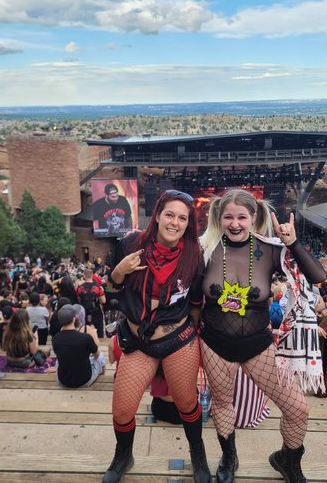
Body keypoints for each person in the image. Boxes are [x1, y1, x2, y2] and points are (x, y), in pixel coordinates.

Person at [197, 189, 327, 483]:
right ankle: (229, 457)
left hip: (259, 346)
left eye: (242, 217)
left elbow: (318, 277)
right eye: (228, 217)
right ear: (219, 217)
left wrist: (292, 243)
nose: (235, 224)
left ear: (253, 217)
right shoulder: (206, 248)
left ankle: (287, 460)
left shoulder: (270, 249)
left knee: (298, 409)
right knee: (222, 404)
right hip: (215, 344)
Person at [103, 189, 211, 483]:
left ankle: (198, 453)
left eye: (182, 218)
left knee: (187, 404)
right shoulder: (130, 245)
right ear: (158, 216)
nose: (175, 222)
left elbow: (196, 304)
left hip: (178, 341)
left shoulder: (194, 255)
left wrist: (194, 338)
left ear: (188, 224)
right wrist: (119, 272)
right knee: (122, 410)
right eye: (170, 215)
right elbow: (110, 291)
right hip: (138, 342)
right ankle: (124, 455)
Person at [52, 304, 105, 387]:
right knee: (100, 355)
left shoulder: (55, 338)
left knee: (59, 359)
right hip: (85, 380)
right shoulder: (86, 337)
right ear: (74, 319)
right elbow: (97, 355)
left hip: (63, 380)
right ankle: (102, 372)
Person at [77, 267, 107, 338]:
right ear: (92, 275)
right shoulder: (98, 287)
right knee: (100, 332)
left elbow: (79, 300)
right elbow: (104, 301)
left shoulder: (80, 288)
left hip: (85, 311)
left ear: (84, 276)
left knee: (84, 331)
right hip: (96, 311)